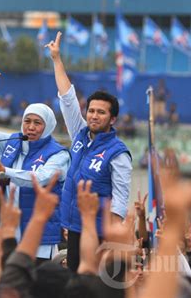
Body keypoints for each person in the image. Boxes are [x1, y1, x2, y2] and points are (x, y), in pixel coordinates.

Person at [46, 32, 132, 272]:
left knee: (93, 285)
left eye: (101, 112)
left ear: (112, 118)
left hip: (99, 232)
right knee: (75, 282)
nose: (94, 115)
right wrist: (56, 59)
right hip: (74, 227)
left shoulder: (118, 153)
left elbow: (121, 197)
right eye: (91, 110)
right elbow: (68, 98)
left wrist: (113, 239)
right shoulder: (80, 135)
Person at [0, 67, 70, 260]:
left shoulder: (59, 155)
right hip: (7, 232)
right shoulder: (13, 142)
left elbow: (39, 179)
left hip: (39, 236)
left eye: (37, 123)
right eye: (27, 121)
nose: (31, 127)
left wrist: (3, 171)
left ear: (48, 126)